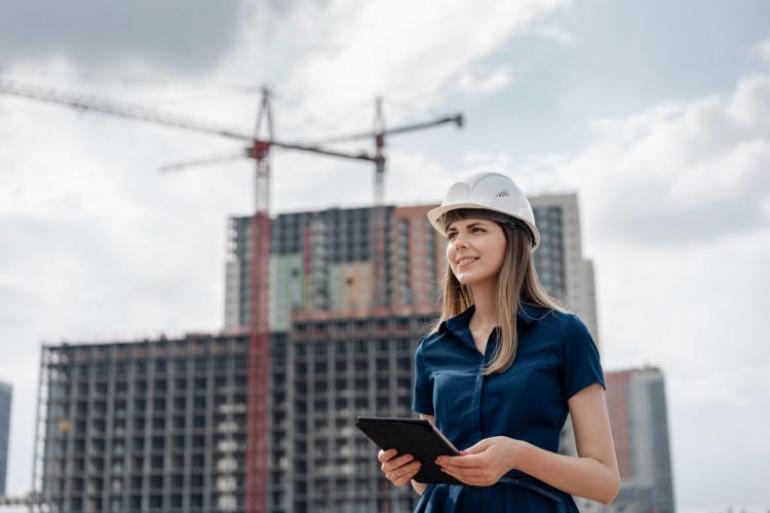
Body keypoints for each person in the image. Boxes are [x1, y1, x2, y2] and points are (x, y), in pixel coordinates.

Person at [377, 171, 620, 512]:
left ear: (513, 239)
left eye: (476, 229)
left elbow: (605, 482)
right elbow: (429, 482)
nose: (459, 243)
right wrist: (409, 467)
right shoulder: (432, 350)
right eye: (452, 234)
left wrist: (517, 455)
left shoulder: (565, 334)